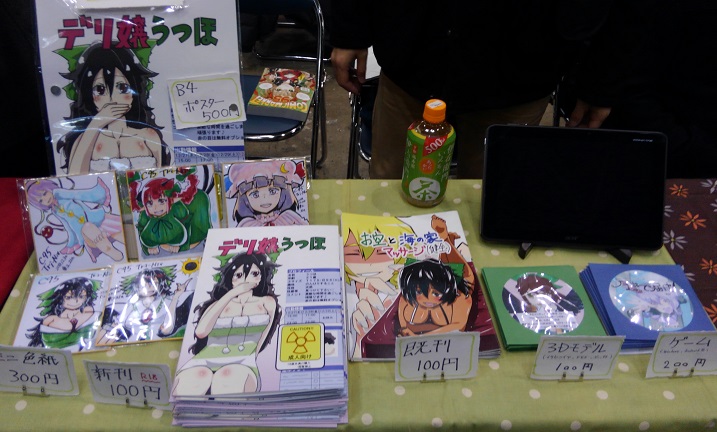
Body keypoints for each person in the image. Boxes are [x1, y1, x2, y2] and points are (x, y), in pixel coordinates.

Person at [330, 1, 617, 179]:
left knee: (491, 202)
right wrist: (349, 29)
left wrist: (601, 76)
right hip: (414, 53)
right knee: (392, 192)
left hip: (521, 65)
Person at [172, 252, 281, 396]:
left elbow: (265, 334)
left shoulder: (267, 302)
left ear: (261, 276)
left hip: (243, 361)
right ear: (231, 278)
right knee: (196, 378)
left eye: (254, 273)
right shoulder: (219, 304)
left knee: (229, 378)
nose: (246, 279)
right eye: (239, 275)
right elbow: (201, 332)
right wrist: (231, 294)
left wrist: (252, 358)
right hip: (205, 358)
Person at [56, 42, 171, 174]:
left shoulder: (148, 135)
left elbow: (163, 178)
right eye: (100, 90)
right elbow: (75, 177)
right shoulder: (85, 138)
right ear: (89, 94)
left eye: (122, 87)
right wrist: (96, 123)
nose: (112, 98)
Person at [397, 258, 472, 336]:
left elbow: (459, 327)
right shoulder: (407, 297)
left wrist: (419, 337)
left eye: (436, 294)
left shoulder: (461, 298)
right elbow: (403, 327)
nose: (428, 299)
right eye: (419, 292)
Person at [26, 277, 101, 351]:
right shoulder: (52, 319)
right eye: (68, 297)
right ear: (60, 298)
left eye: (81, 297)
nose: (75, 301)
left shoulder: (88, 311)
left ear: (87, 297)